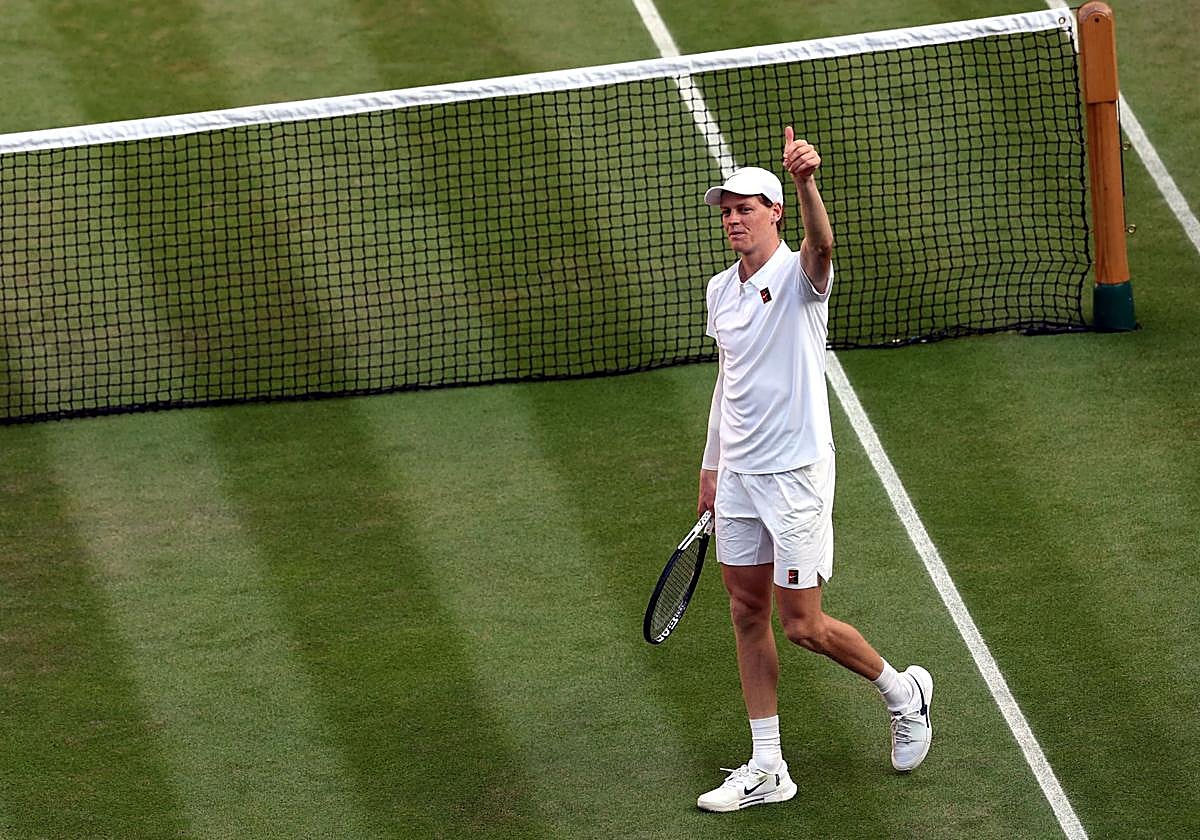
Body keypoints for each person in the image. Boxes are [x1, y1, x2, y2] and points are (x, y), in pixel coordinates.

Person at [694, 127, 933, 813]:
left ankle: (903, 692)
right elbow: (728, 379)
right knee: (746, 611)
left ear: (774, 213)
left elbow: (822, 246)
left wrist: (806, 182)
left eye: (744, 209)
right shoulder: (720, 290)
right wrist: (711, 465)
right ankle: (768, 766)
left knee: (802, 625)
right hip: (739, 477)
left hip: (795, 475)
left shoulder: (802, 278)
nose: (733, 220)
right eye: (726, 211)